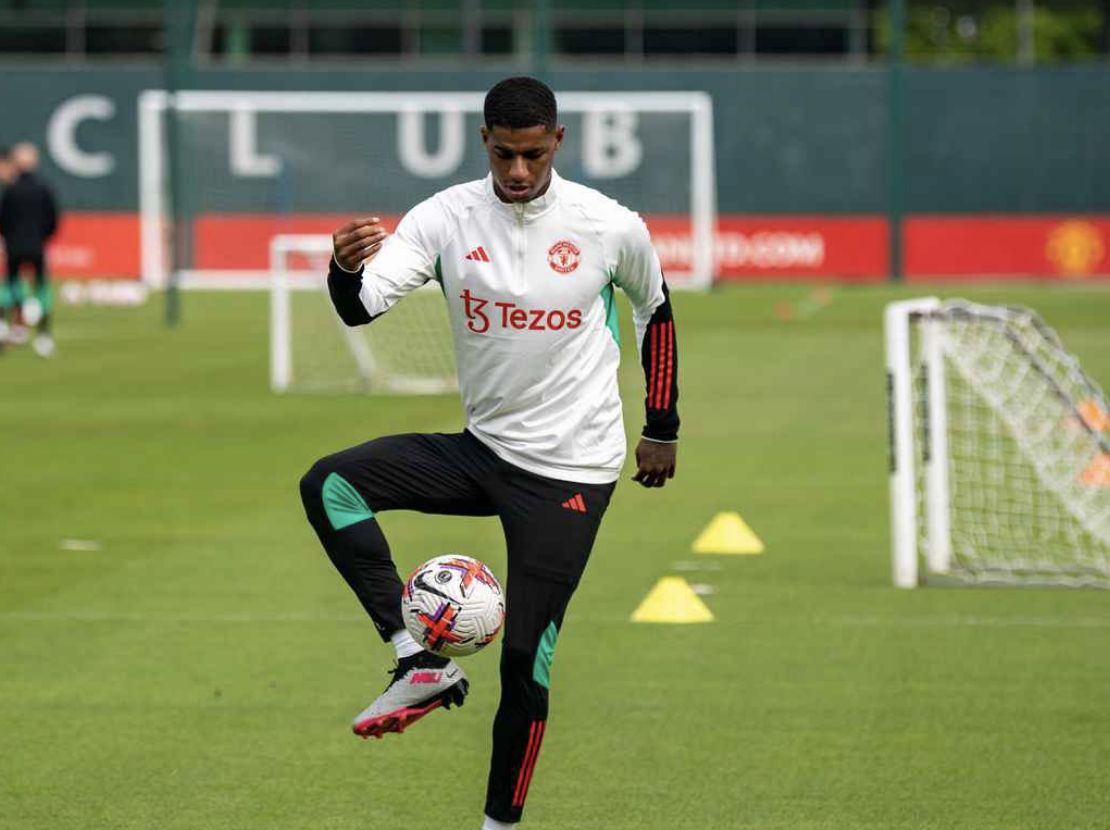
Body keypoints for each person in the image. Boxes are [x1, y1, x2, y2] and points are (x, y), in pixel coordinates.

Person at [299, 77, 680, 830]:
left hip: (571, 471)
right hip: (484, 451)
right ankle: (418, 662)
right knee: (330, 483)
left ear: (557, 144)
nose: (517, 171)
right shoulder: (446, 218)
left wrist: (661, 425)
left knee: (524, 666)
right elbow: (364, 305)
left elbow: (656, 310)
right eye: (504, 153)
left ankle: (498, 825)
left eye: (532, 154)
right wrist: (344, 267)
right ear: (484, 142)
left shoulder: (607, 226)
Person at [0, 142, 60, 357]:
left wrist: (8, 238)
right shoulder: (44, 188)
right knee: (42, 288)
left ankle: (8, 327)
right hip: (37, 245)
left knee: (11, 285)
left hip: (14, 246)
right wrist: (42, 237)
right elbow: (52, 219)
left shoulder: (10, 190)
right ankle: (43, 336)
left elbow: (3, 219)